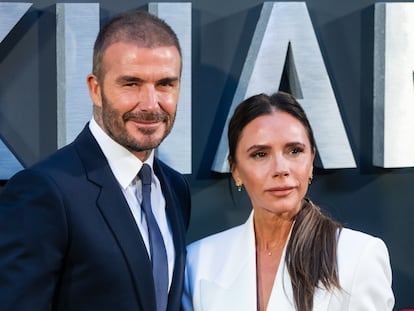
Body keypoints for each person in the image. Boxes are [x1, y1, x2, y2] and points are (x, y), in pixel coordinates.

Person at [0, 10, 191, 311]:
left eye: (165, 84)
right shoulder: (44, 192)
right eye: (131, 84)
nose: (151, 104)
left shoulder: (175, 188)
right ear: (95, 89)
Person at [182, 91, 394, 311]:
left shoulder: (358, 256)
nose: (281, 169)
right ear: (235, 169)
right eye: (260, 154)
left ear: (311, 161)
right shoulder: (199, 261)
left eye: (294, 151)